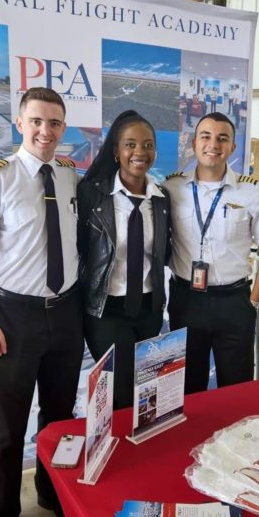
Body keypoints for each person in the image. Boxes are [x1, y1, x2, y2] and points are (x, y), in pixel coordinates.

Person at [0, 87, 83, 517]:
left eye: (54, 123)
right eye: (36, 121)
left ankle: (52, 494)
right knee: (8, 428)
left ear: (63, 127)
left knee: (60, 418)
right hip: (14, 316)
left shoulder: (69, 174)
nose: (45, 131)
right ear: (19, 123)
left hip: (66, 313)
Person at [163, 112, 259, 394]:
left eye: (222, 138)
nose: (213, 144)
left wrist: (252, 304)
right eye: (205, 136)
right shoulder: (172, 188)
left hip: (234, 303)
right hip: (186, 301)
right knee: (187, 389)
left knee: (236, 389)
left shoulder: (251, 193)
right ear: (194, 143)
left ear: (232, 147)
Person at [77, 110, 170, 409]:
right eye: (130, 144)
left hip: (149, 309)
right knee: (121, 394)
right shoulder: (92, 195)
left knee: (146, 392)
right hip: (107, 309)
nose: (140, 152)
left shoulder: (162, 199)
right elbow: (77, 248)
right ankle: (117, 438)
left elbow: (164, 253)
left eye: (148, 145)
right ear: (116, 152)